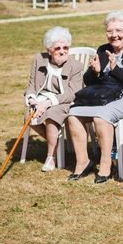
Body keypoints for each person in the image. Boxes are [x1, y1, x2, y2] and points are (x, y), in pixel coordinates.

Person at [67, 11, 123, 183]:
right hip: (104, 96)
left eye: (119, 30)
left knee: (101, 117)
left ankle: (106, 164)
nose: (114, 35)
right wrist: (95, 72)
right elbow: (89, 82)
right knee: (73, 115)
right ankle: (83, 162)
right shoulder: (103, 49)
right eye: (110, 31)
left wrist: (116, 70)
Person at [23, 27, 83, 172]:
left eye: (66, 47)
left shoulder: (76, 66)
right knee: (28, 117)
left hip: (65, 101)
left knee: (51, 116)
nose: (62, 51)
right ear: (49, 49)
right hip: (41, 99)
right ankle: (58, 142)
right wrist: (32, 100)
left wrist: (48, 103)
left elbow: (73, 92)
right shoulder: (39, 59)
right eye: (57, 48)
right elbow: (31, 84)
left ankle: (51, 156)